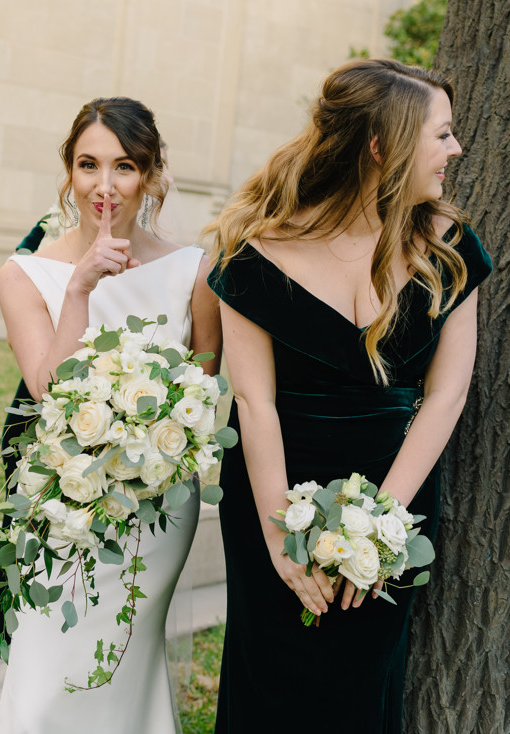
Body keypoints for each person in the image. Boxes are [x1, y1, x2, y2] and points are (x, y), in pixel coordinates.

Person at [206, 58, 492, 734]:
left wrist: (381, 529)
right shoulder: (258, 255)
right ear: (381, 145)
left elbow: (447, 396)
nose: (455, 150)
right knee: (269, 680)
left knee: (363, 688)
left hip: (397, 491)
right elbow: (253, 402)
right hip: (275, 489)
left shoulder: (450, 249)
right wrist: (282, 539)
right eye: (442, 134)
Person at [0, 97, 221, 734]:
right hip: (65, 500)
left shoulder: (193, 271)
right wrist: (82, 285)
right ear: (68, 171)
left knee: (127, 660)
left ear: (149, 174)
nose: (104, 185)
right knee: (46, 666)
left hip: (158, 501)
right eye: (88, 165)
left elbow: (203, 387)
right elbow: (47, 390)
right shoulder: (24, 275)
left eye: (123, 167)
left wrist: (159, 444)